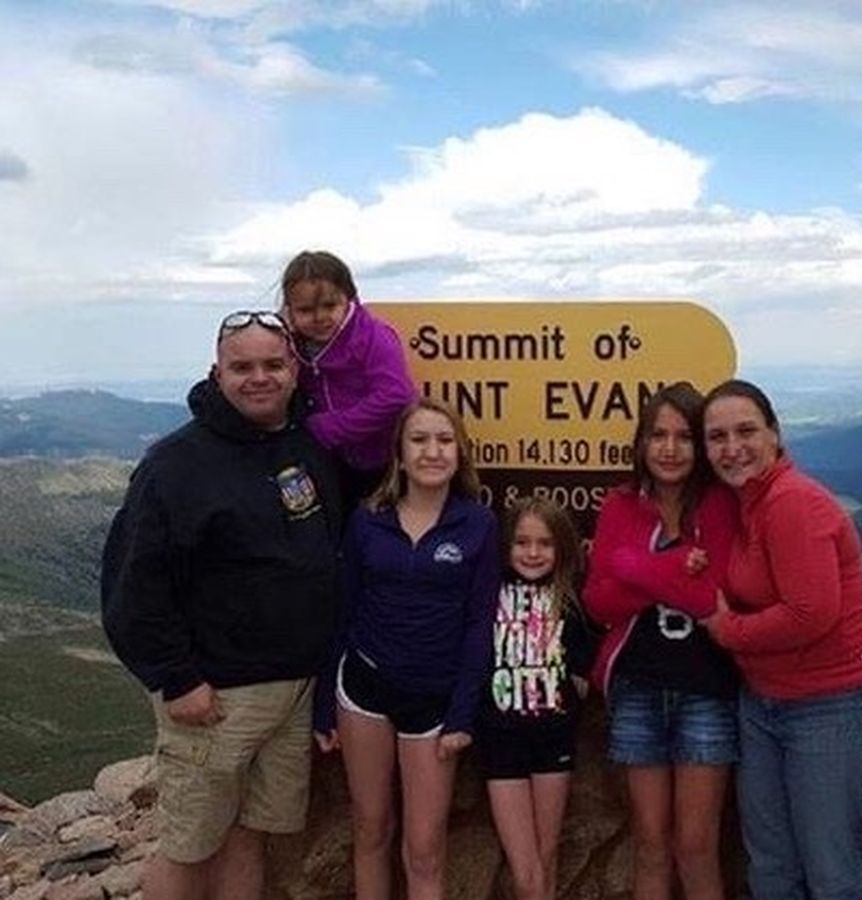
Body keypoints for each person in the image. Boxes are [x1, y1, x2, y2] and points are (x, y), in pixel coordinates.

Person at [101, 310, 342, 900]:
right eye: (242, 367)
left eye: (273, 364)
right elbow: (133, 586)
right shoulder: (174, 465)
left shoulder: (306, 444)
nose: (259, 378)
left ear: (294, 370)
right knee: (189, 845)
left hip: (294, 691)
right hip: (216, 698)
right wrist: (177, 678)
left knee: (248, 835)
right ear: (217, 372)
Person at [700, 379, 862, 900]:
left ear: (775, 434)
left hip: (832, 706)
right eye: (717, 437)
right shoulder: (745, 504)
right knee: (773, 866)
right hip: (765, 703)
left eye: (746, 431)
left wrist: (726, 630)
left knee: (834, 873)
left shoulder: (792, 502)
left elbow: (810, 614)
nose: (732, 447)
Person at [314, 397, 500, 900]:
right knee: (370, 829)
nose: (432, 452)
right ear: (398, 454)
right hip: (363, 690)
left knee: (425, 848)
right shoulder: (367, 519)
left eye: (444, 440)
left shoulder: (478, 524)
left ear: (460, 453)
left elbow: (480, 624)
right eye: (418, 440)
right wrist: (324, 704)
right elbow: (343, 611)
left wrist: (462, 714)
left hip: (435, 700)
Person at [583, 381, 740, 900]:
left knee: (696, 844)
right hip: (638, 687)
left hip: (707, 688)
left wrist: (633, 567)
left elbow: (711, 597)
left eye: (683, 437)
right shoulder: (620, 505)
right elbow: (599, 602)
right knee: (650, 842)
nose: (669, 449)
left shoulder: (720, 505)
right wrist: (671, 569)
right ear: (642, 442)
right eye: (658, 435)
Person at [477, 497, 596, 900]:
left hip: (553, 739)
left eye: (545, 543)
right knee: (525, 870)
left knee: (546, 858)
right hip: (501, 740)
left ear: (562, 547)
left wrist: (579, 681)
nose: (532, 553)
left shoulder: (571, 597)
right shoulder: (488, 591)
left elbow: (587, 654)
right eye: (522, 542)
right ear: (506, 545)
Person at [280, 249, 417, 499]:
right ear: (289, 310)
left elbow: (396, 395)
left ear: (350, 298)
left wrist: (330, 427)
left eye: (329, 305)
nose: (319, 317)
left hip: (384, 459)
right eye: (306, 310)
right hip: (327, 461)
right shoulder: (288, 343)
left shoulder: (372, 336)